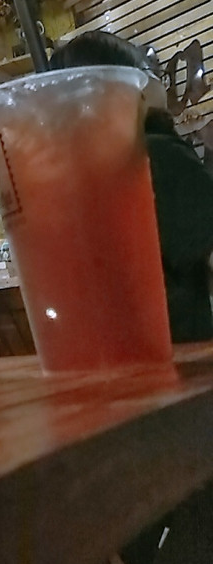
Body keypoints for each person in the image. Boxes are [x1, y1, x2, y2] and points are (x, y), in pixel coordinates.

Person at [49, 30, 213, 343]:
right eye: (148, 70)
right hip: (182, 355)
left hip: (108, 357)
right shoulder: (156, 157)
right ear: (129, 87)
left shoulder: (72, 179)